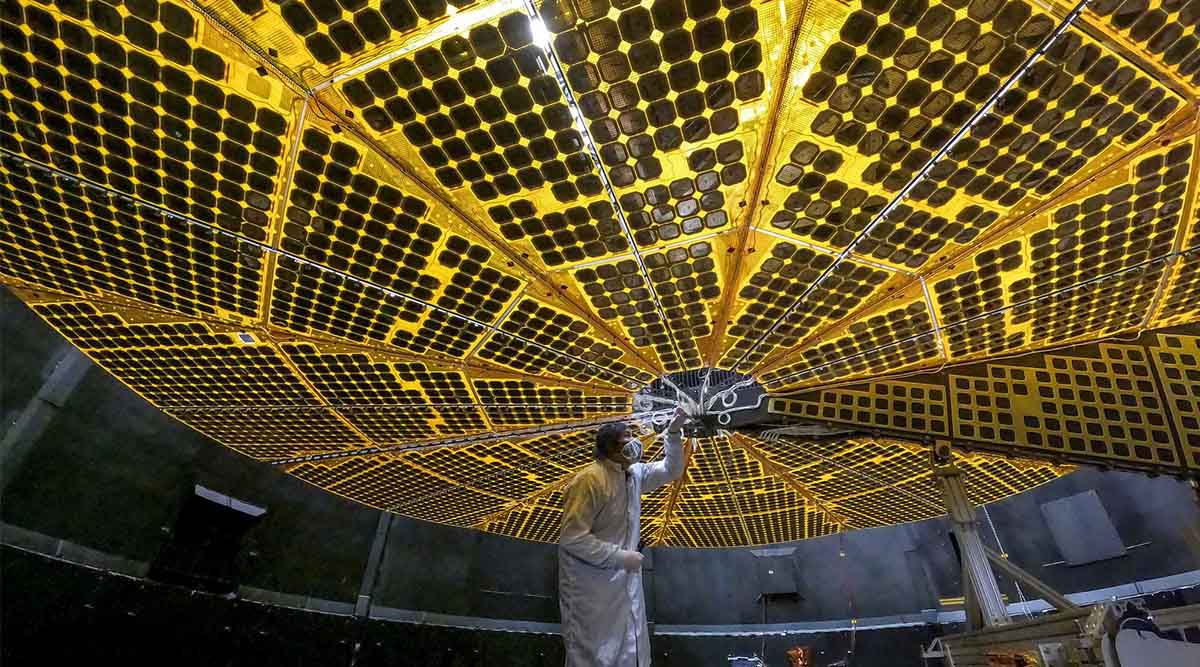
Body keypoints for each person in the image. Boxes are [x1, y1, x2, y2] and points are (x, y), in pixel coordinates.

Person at [558, 407, 689, 666]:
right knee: (595, 652)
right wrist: (621, 557)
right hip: (591, 585)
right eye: (627, 438)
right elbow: (572, 539)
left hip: (624, 579)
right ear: (610, 448)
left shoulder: (634, 473)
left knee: (631, 648)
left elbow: (672, 470)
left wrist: (674, 433)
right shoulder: (589, 481)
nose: (635, 444)